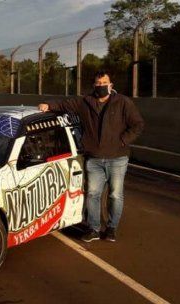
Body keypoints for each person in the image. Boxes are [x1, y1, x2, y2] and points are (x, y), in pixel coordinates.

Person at [38, 70, 144, 243]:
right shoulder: (85, 102)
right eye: (98, 83)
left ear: (111, 85)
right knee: (93, 194)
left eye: (104, 83)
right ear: (94, 85)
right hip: (94, 158)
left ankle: (111, 228)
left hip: (117, 158)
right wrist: (47, 104)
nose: (101, 86)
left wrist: (123, 140)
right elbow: (65, 105)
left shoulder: (123, 102)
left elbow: (138, 124)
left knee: (115, 195)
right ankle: (94, 228)